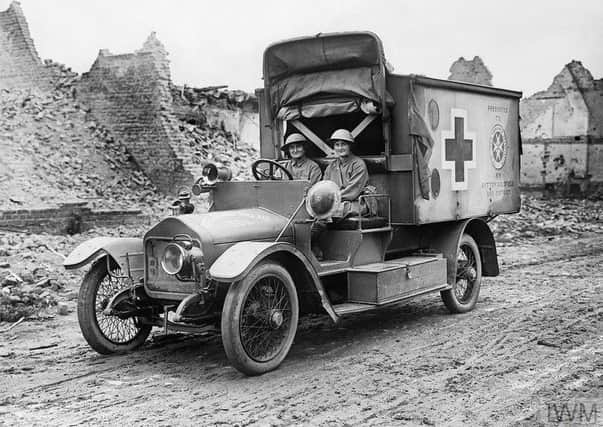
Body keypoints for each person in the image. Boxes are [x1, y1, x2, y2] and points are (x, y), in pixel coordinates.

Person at [322, 129, 369, 218]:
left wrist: (330, 199)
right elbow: (325, 187)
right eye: (337, 145)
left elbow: (353, 192)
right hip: (335, 202)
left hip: (356, 203)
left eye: (343, 144)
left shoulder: (358, 164)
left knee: (334, 210)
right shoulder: (331, 166)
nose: (340, 148)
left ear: (350, 146)